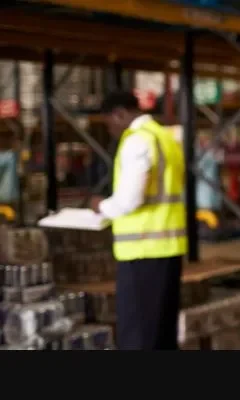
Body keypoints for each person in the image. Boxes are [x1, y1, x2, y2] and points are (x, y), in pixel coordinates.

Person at [90, 91, 187, 350]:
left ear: (119, 113)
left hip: (142, 252)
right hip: (169, 249)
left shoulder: (137, 141)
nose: (110, 129)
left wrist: (102, 206)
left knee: (139, 337)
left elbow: (131, 199)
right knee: (162, 334)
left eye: (109, 122)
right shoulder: (165, 137)